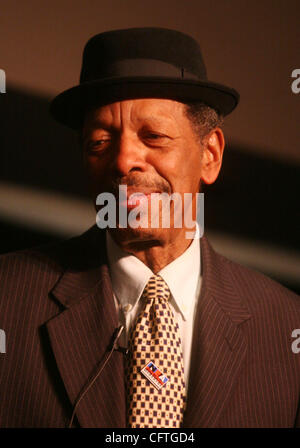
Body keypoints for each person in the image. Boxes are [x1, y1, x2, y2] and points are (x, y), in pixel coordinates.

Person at [0, 27, 299, 428]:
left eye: (154, 137)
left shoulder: (285, 327)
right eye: (99, 143)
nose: (123, 161)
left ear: (210, 155)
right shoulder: (7, 296)